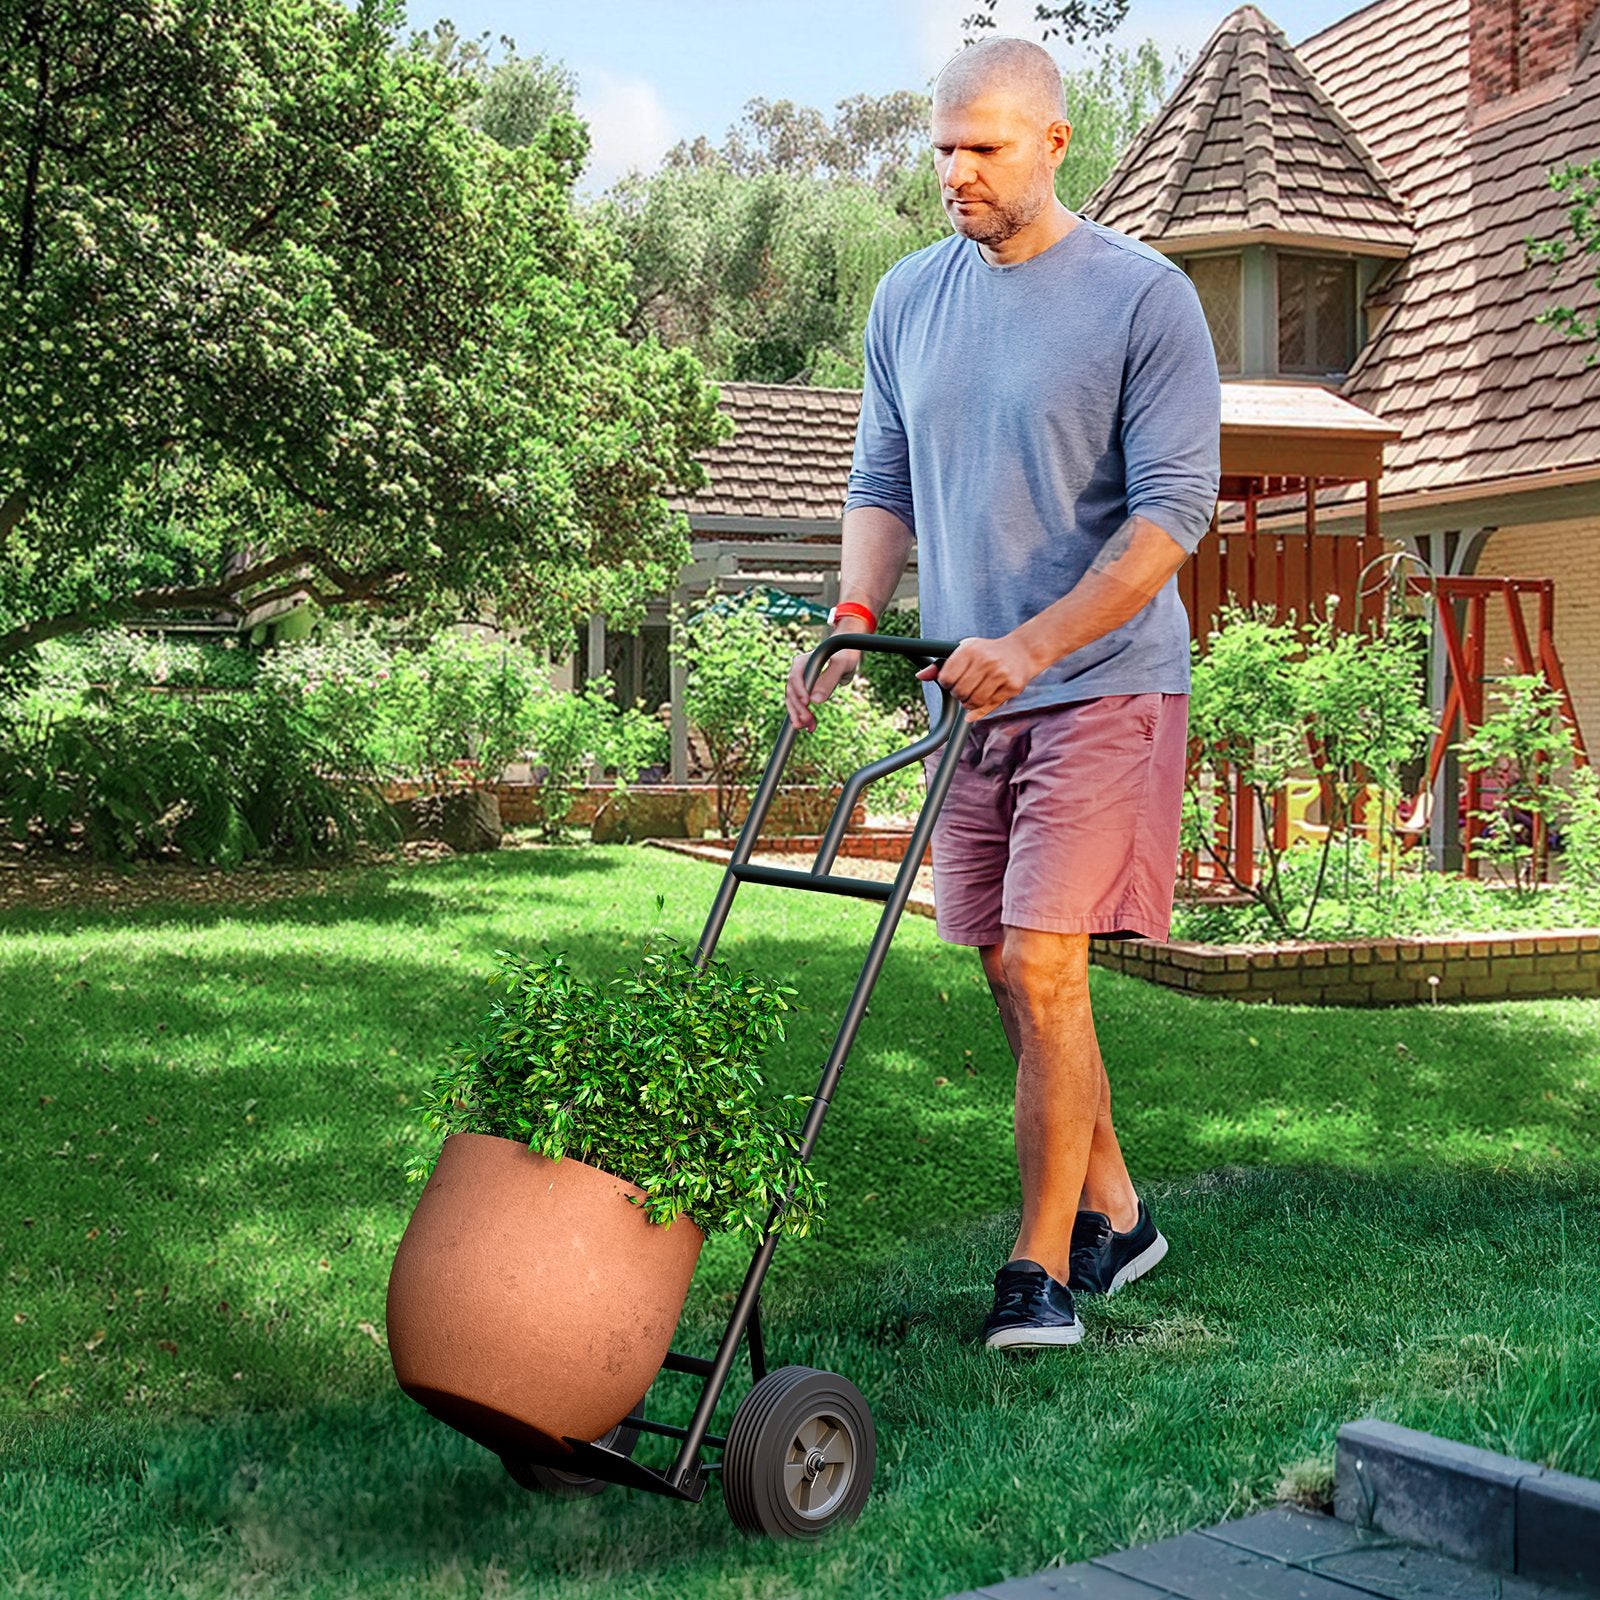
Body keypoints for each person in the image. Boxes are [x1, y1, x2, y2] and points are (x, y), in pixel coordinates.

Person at [785, 36, 1221, 1351]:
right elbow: (882, 484)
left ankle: (1039, 1272)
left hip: (1100, 683)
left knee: (1044, 959)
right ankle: (1124, 1212)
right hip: (969, 698)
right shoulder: (907, 299)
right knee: (1003, 966)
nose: (955, 172)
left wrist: (1032, 646)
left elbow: (1167, 526)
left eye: (982, 148)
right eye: (941, 149)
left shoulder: (1146, 300)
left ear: (1053, 144)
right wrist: (855, 619)